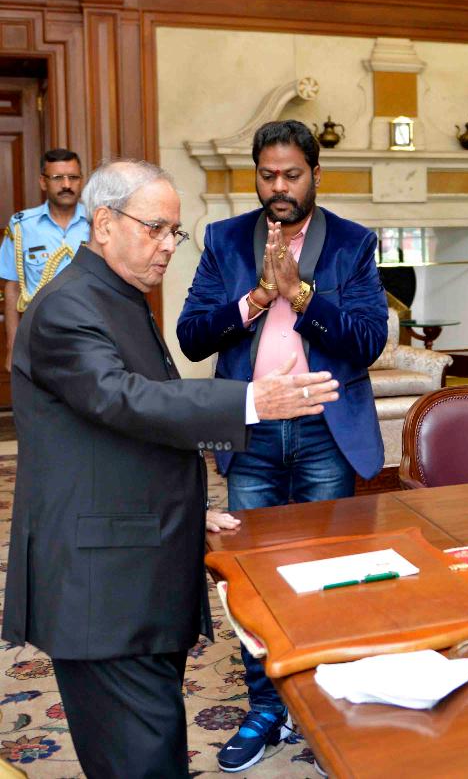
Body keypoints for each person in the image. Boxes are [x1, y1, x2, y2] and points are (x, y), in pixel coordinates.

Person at [1, 160, 338, 778]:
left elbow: (119, 437)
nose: (167, 245)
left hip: (131, 567)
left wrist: (187, 504)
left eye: (174, 232)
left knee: (151, 749)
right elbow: (123, 398)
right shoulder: (67, 307)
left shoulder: (116, 296)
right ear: (105, 223)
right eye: (154, 228)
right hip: (102, 589)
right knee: (143, 760)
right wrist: (250, 401)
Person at [176, 119, 388, 772]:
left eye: (292, 175)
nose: (279, 187)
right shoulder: (224, 240)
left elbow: (367, 341)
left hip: (326, 429)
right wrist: (258, 298)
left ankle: (321, 707)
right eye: (267, 175)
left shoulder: (351, 243)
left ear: (315, 174)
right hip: (252, 432)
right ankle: (266, 708)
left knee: (329, 576)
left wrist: (300, 294)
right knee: (253, 577)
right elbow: (192, 336)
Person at [1, 148, 90, 371]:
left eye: (73, 177)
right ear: (43, 182)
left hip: (90, 334)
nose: (66, 184)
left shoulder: (98, 223)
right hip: (39, 335)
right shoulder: (22, 226)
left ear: (81, 180)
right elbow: (12, 287)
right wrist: (12, 346)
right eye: (58, 178)